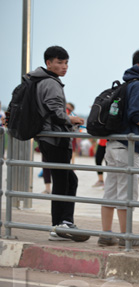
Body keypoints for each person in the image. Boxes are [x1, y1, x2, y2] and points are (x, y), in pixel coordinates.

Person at [98, 48, 139, 247]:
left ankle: (106, 234)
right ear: (138, 65)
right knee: (127, 194)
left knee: (111, 190)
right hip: (128, 147)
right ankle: (127, 237)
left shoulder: (127, 83)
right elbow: (135, 115)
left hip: (114, 145)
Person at [32, 46, 88, 242]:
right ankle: (59, 226)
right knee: (63, 182)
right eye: (60, 62)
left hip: (48, 139)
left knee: (67, 181)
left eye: (66, 63)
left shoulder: (39, 80)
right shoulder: (50, 83)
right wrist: (72, 120)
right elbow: (56, 113)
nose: (64, 67)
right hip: (55, 139)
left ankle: (63, 222)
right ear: (49, 63)